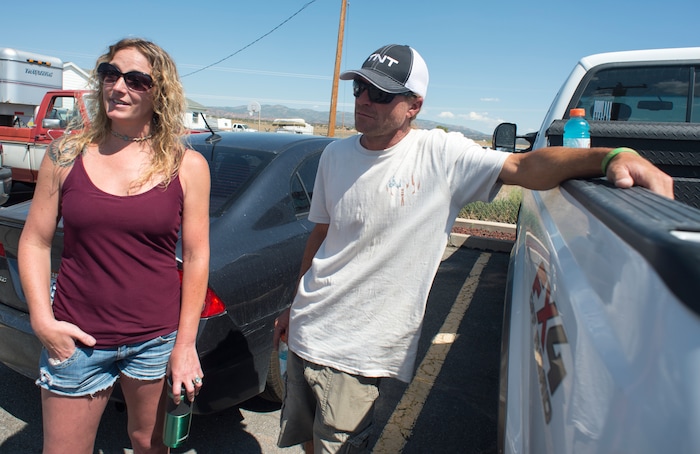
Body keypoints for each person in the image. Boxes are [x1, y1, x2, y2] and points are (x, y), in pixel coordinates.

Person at [273, 44, 674, 453]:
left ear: (414, 106)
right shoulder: (334, 155)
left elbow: (524, 166)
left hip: (356, 351)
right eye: (359, 87)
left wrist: (612, 157)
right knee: (306, 440)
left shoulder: (440, 154)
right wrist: (293, 306)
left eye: (379, 93)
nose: (363, 100)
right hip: (307, 328)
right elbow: (321, 237)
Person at [18, 38, 210, 454]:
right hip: (76, 338)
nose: (118, 87)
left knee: (149, 443)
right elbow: (34, 241)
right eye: (110, 73)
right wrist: (42, 321)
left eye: (137, 79)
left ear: (160, 92)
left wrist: (185, 344)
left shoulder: (187, 166)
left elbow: (196, 258)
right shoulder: (66, 154)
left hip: (154, 341)